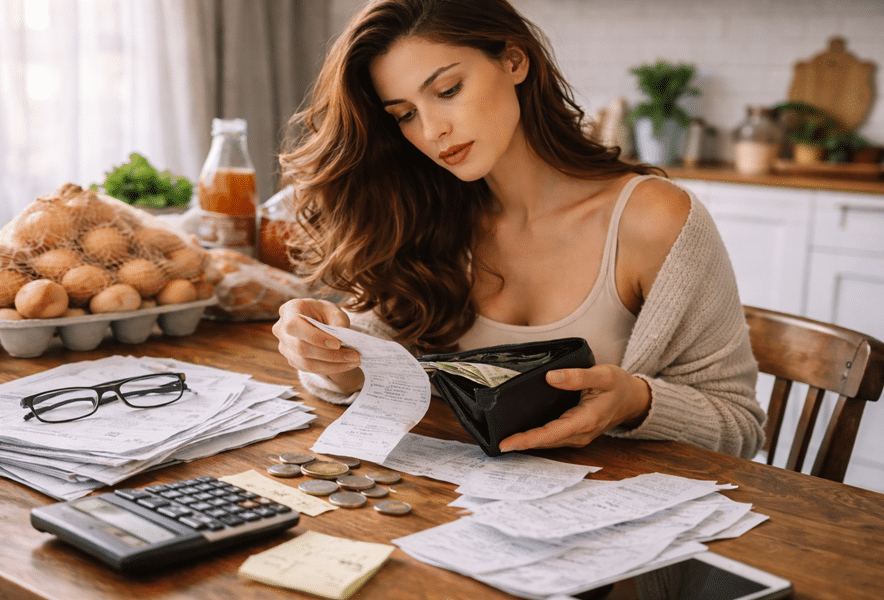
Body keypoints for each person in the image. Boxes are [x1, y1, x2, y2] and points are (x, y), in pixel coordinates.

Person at [272, 0, 765, 459]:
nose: (431, 131)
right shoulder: (428, 214)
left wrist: (636, 401)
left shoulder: (653, 220)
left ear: (513, 61)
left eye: (447, 91)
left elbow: (741, 427)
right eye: (404, 115)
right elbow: (371, 366)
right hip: (458, 514)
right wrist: (323, 349)